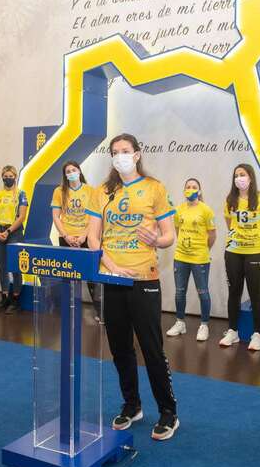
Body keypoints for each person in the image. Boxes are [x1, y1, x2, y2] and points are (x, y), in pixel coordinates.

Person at [86, 133, 179, 441]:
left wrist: (157, 240)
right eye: (115, 152)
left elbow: (168, 236)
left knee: (152, 348)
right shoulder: (102, 192)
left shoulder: (155, 188)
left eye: (126, 151)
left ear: (137, 155)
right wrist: (111, 266)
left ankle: (168, 412)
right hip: (112, 279)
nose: (120, 156)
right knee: (120, 348)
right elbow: (93, 237)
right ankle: (132, 405)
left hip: (144, 279)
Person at [219, 163, 260, 351]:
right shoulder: (230, 200)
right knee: (234, 291)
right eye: (236, 175)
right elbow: (229, 222)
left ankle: (257, 334)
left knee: (255, 293)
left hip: (255, 252)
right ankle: (233, 331)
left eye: (242, 174)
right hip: (233, 251)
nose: (239, 178)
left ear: (250, 176)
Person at [166, 178, 216, 341]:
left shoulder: (206, 210)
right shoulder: (179, 210)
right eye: (188, 187)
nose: (190, 189)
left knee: (203, 292)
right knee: (180, 292)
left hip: (200, 258)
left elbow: (212, 235)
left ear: (199, 191)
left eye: (194, 187)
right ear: (184, 190)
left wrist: (202, 250)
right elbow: (178, 230)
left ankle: (204, 325)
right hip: (180, 257)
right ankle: (180, 323)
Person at [51, 160, 100, 314]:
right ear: (65, 175)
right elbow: (56, 217)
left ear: (79, 171)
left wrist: (84, 236)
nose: (71, 173)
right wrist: (66, 236)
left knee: (92, 277)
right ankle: (69, 309)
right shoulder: (59, 191)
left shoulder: (91, 191)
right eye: (68, 171)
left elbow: (94, 218)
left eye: (74, 170)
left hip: (87, 237)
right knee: (68, 275)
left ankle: (100, 311)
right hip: (66, 238)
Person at [0, 165, 28, 314]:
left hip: (14, 232)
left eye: (10, 176)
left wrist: (8, 231)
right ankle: (4, 297)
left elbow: (22, 216)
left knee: (15, 267)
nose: (8, 178)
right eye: (5, 176)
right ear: (2, 177)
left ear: (15, 177)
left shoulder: (21, 194)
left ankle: (16, 299)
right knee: (2, 267)